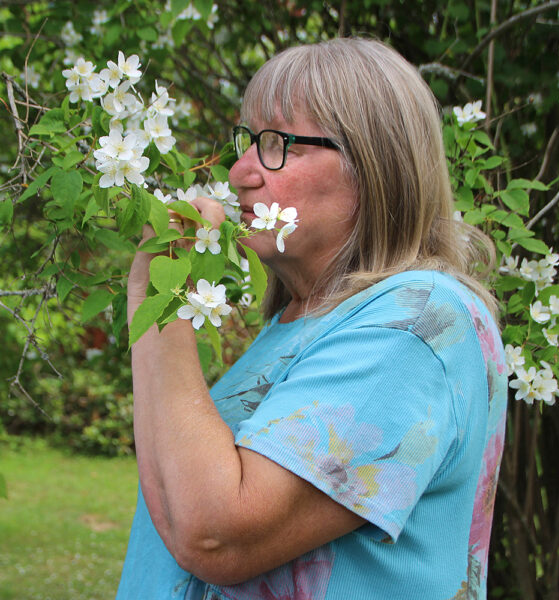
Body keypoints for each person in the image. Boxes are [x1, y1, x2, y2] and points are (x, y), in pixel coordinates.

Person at [118, 38, 508, 599]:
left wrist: (160, 296)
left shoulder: (416, 325)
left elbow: (214, 534)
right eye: (246, 142)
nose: (239, 171)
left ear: (373, 164)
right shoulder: (308, 323)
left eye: (277, 144)